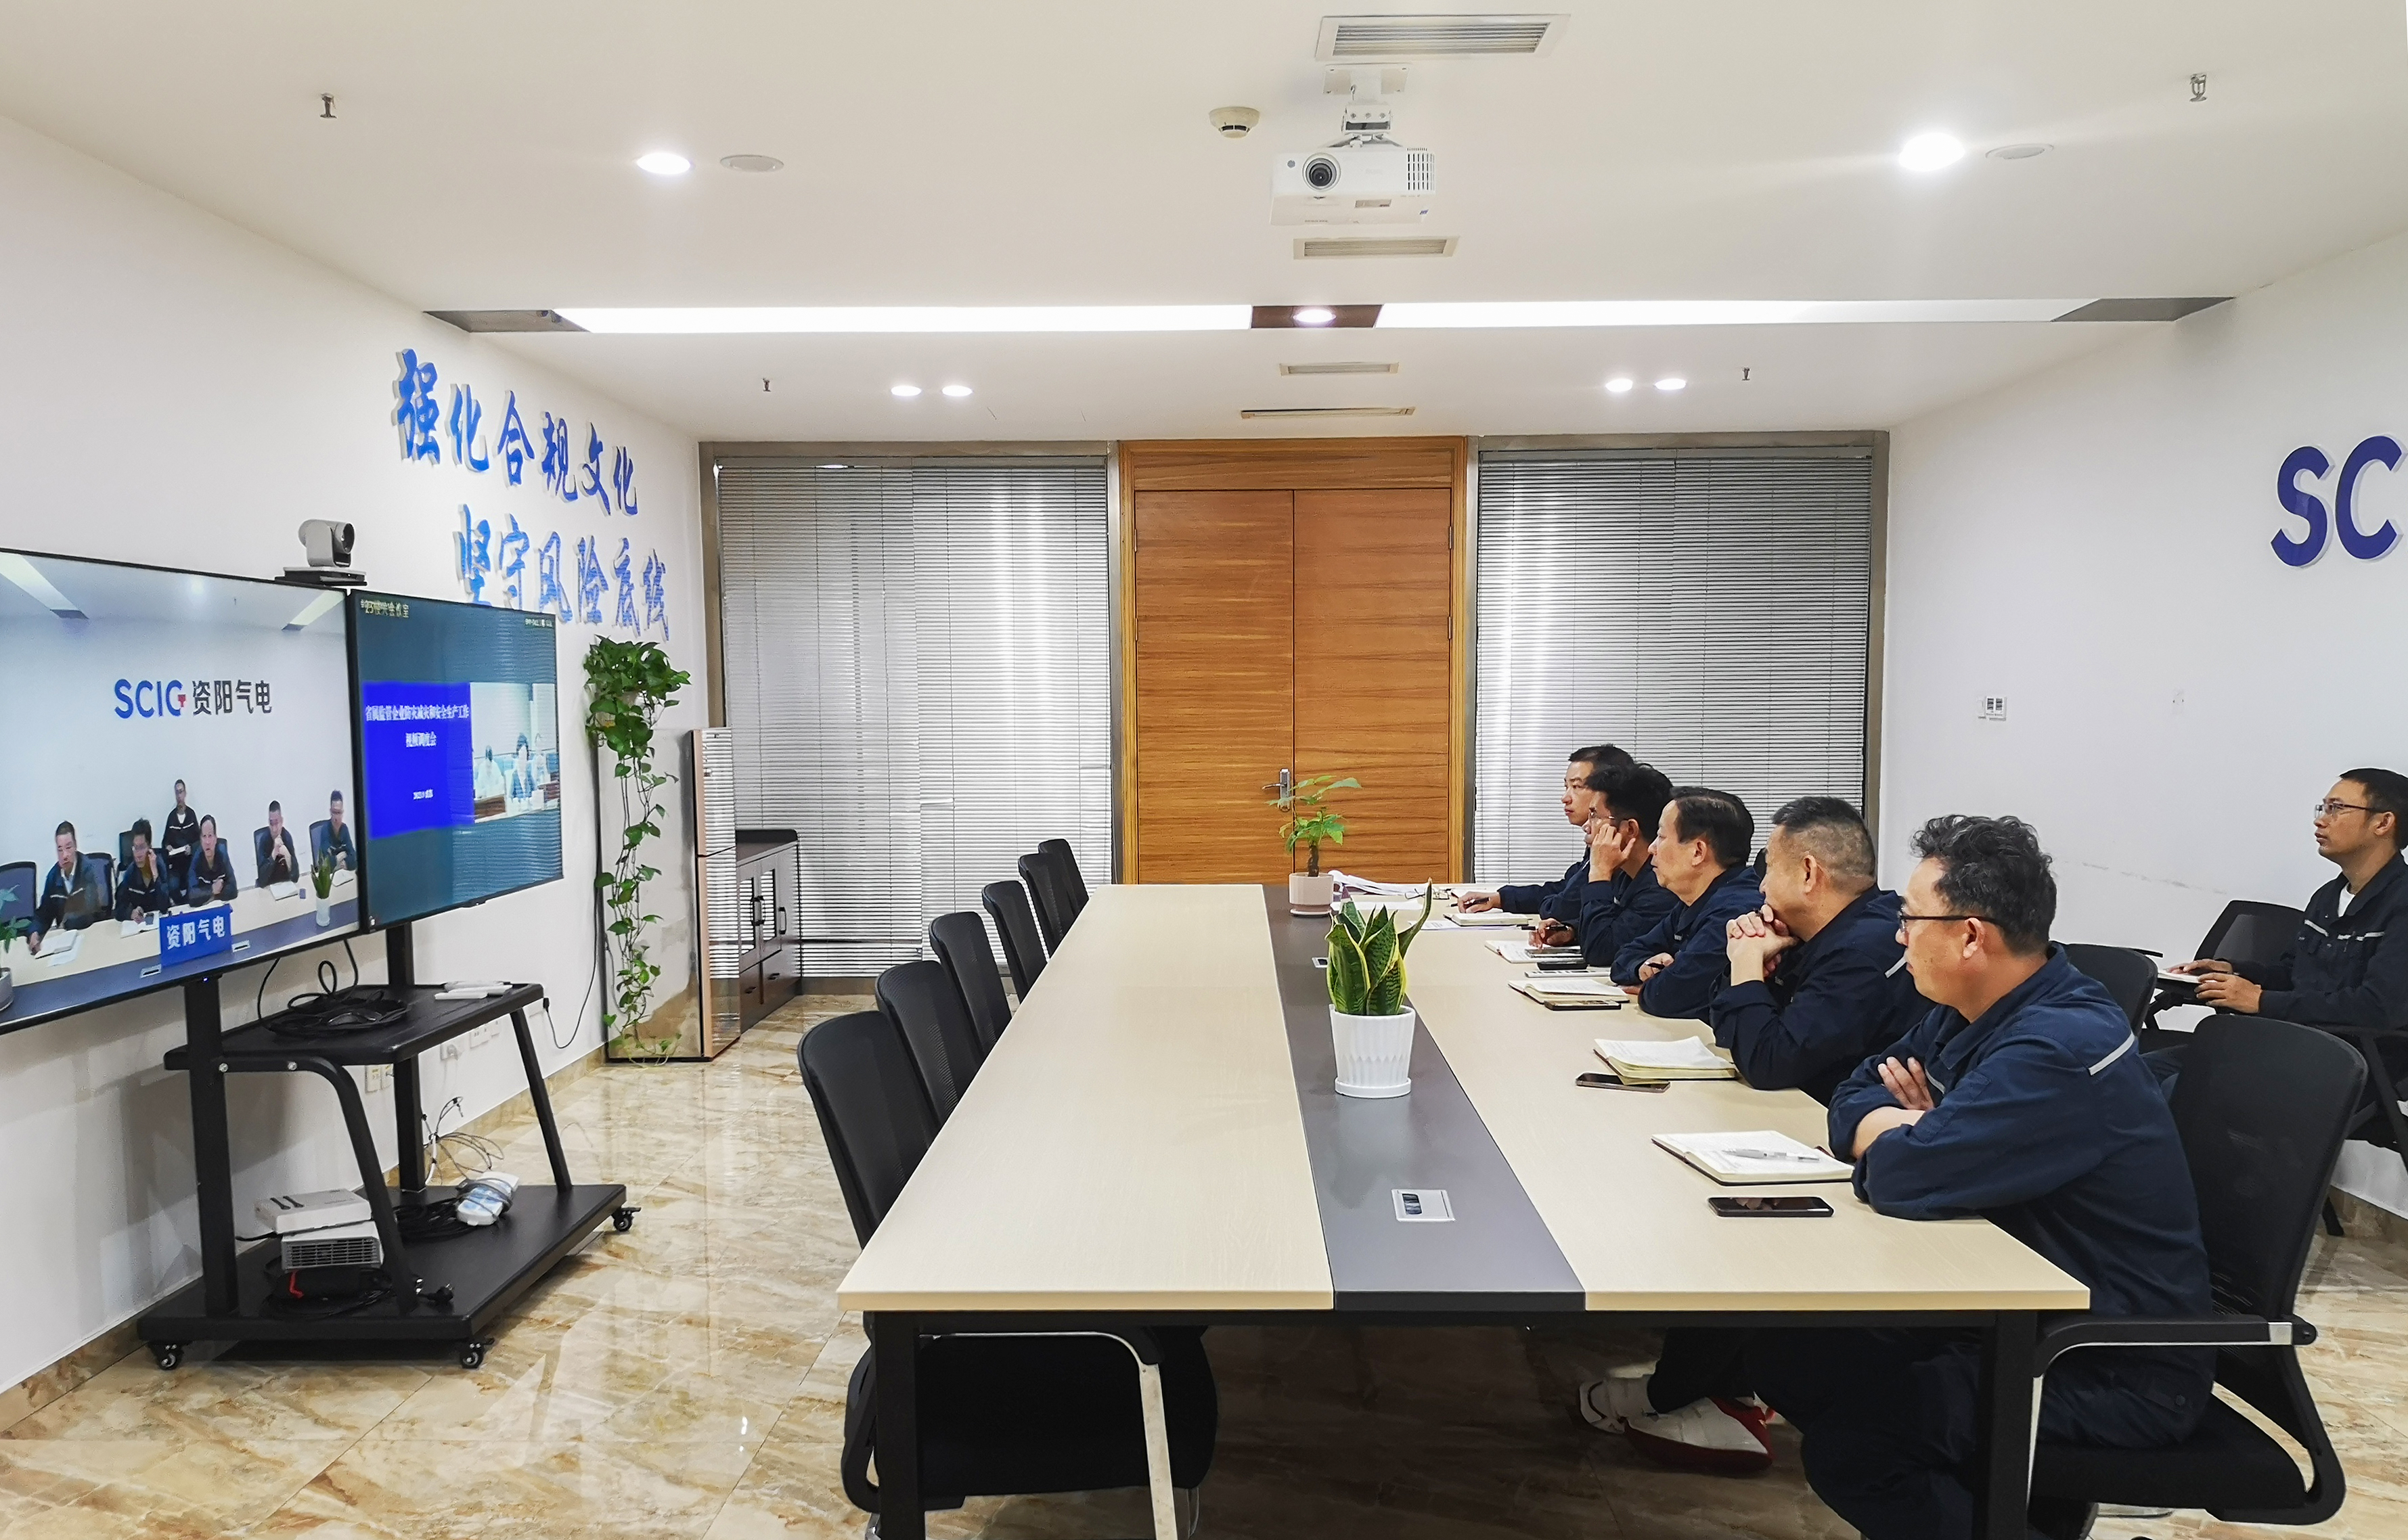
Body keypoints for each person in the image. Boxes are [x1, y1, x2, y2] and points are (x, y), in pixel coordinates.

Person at [1743, 815, 2212, 1540]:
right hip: (2012, 1307)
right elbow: (1853, 1095)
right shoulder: (1976, 1008)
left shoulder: (2057, 1044)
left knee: (1860, 1449)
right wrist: (1919, 1130)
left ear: (1970, 935)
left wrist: (1922, 1139)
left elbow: (1900, 1176)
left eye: (1910, 919)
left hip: (2106, 1364)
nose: (1898, 936)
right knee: (1785, 1349)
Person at [1580, 796, 1927, 1471]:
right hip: (1824, 1124)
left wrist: (1745, 968)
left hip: (1852, 1159)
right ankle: (1706, 1381)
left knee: (1721, 1214)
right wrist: (1751, 977)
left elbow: (1767, 1060)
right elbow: (1734, 1028)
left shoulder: (1862, 949)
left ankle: (1694, 1392)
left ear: (1808, 874)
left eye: (1769, 868)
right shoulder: (1819, 935)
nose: (1757, 885)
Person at [2178, 769, 2408, 1064]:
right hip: (2285, 1044)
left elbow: (2378, 1007)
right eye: (2323, 808)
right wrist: (2233, 972)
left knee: (2176, 1084)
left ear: (2383, 823)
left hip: (2346, 1063)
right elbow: (2294, 975)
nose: (2320, 820)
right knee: (2147, 1070)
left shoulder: (2401, 903)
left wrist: (2260, 1001)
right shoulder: (2327, 897)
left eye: (2337, 809)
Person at [1609, 789, 1762, 1018]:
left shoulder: (1735, 912)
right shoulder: (1695, 899)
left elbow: (1667, 997)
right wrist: (1642, 968)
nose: (1652, 848)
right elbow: (1625, 956)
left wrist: (1652, 987)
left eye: (1661, 837)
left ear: (1698, 852)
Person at [1456, 744, 1634, 923]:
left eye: (1576, 786)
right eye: (1566, 786)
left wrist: (1551, 907)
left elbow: (1560, 908)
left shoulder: (1619, 846)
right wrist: (1500, 899)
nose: (1565, 798)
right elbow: (1564, 889)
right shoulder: (1599, 839)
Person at [1548, 761, 1678, 966]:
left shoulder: (1661, 887)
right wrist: (1571, 930)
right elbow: (1619, 924)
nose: (1586, 826)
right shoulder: (1627, 873)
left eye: (1595, 816)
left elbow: (1601, 952)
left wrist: (1599, 874)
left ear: (1630, 829)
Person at [30, 822, 105, 948]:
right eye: (60, 850)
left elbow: (90, 911)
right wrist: (34, 932)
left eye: (68, 848)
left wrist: (65, 923)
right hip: (65, 941)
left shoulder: (88, 870)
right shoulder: (53, 877)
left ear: (76, 846)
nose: (64, 855)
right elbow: (44, 914)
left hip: (91, 935)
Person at [114, 820, 176, 920]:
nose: (138, 854)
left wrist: (155, 873)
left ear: (149, 847)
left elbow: (164, 907)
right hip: (141, 925)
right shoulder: (131, 872)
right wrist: (131, 913)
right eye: (135, 848)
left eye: (142, 847)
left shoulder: (160, 866)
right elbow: (118, 911)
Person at [185, 815, 238, 906]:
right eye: (204, 836)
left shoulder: (222, 852)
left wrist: (209, 896)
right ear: (200, 840)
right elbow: (191, 895)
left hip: (219, 905)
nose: (207, 842)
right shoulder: (197, 856)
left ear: (216, 838)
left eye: (210, 836)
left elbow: (233, 889)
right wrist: (212, 890)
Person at [160, 779, 199, 888]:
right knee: (173, 886)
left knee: (193, 885)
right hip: (175, 864)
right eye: (177, 792)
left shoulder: (191, 815)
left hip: (190, 862)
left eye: (181, 792)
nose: (179, 796)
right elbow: (165, 841)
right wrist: (167, 846)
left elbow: (199, 840)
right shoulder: (171, 817)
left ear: (185, 793)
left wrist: (191, 848)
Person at [257, 800, 298, 887]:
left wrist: (287, 855)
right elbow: (262, 881)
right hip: (269, 888)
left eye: (277, 823)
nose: (274, 829)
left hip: (286, 886)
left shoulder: (287, 837)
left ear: (282, 821)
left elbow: (296, 877)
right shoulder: (264, 840)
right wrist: (274, 854)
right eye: (271, 824)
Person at [319, 789, 357, 870]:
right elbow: (325, 863)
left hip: (344, 871)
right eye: (334, 812)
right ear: (330, 812)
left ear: (342, 812)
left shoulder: (344, 829)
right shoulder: (325, 830)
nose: (336, 817)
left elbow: (354, 857)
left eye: (339, 813)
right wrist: (341, 856)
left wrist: (345, 863)